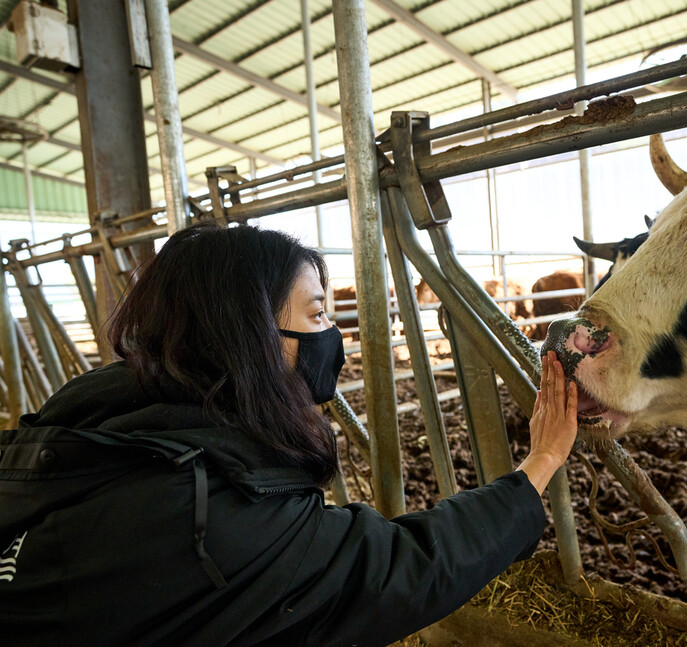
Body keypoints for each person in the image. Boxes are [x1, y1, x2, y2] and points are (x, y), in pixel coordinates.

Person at [0, 222, 578, 647]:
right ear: (249, 333)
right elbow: (401, 569)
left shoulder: (86, 419)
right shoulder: (214, 516)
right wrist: (544, 460)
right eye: (318, 314)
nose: (332, 334)